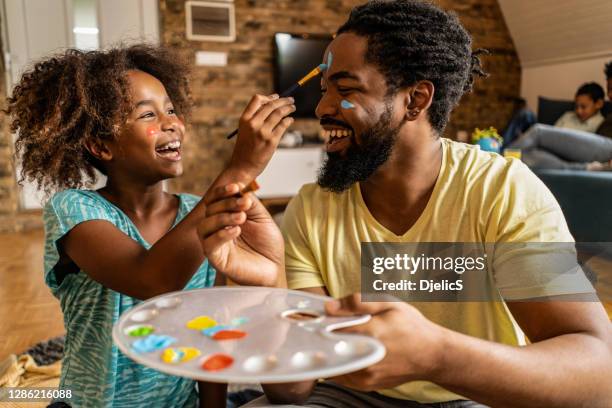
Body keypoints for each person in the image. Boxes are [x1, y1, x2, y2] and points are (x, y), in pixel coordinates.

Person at [206, 1, 611, 406]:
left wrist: (436, 356)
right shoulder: (312, 210)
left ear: (416, 99)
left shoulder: (501, 190)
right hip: (347, 394)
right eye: (325, 87)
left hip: (473, 392)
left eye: (345, 89)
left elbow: (598, 374)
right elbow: (292, 389)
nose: (323, 107)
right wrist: (269, 287)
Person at [6, 45, 294, 407]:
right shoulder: (74, 210)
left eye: (171, 110)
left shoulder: (197, 213)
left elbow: (212, 330)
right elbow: (152, 280)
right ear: (101, 146)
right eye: (147, 115)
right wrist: (239, 169)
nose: (172, 122)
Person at [508, 82, 612, 171]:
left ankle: (501, 155)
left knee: (537, 130)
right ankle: (588, 168)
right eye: (577, 106)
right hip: (550, 151)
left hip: (572, 154)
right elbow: (552, 134)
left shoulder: (601, 123)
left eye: (583, 107)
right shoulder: (568, 116)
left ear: (598, 104)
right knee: (524, 155)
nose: (579, 111)